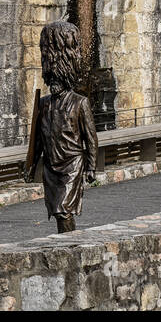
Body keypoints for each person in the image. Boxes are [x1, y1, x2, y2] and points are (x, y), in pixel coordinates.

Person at [26, 20, 98, 233]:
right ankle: (68, 242)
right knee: (57, 210)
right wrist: (30, 164)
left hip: (72, 163)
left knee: (64, 208)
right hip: (51, 165)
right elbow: (38, 138)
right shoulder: (44, 103)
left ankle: (69, 245)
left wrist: (91, 166)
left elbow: (90, 137)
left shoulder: (79, 102)